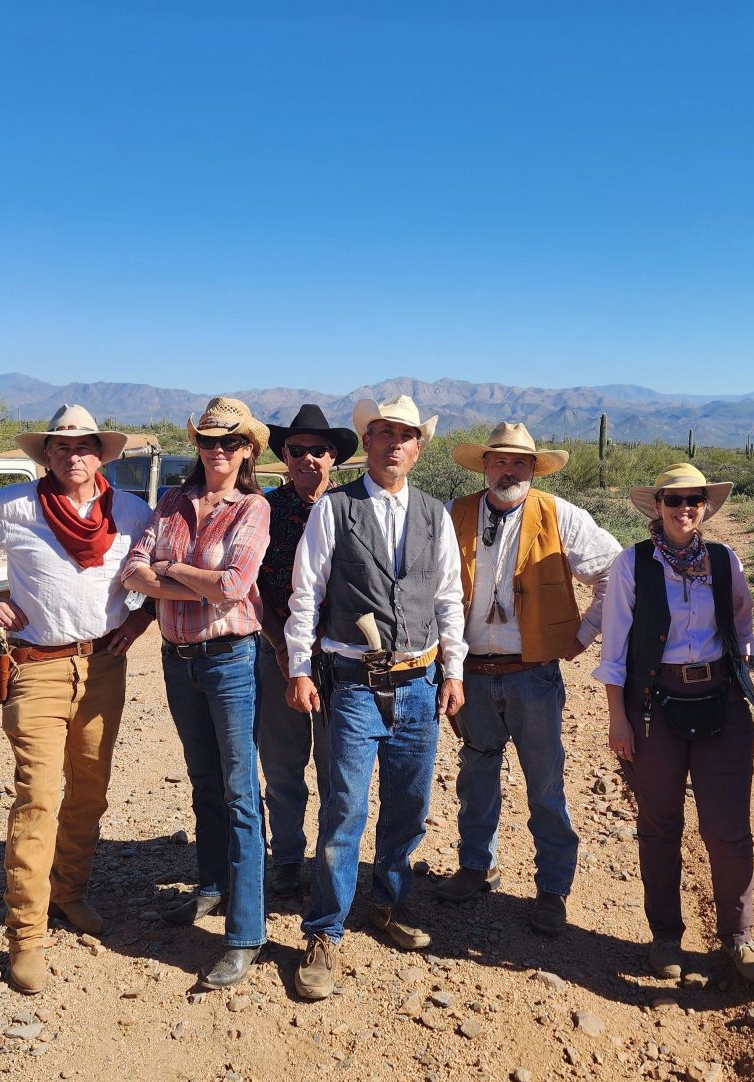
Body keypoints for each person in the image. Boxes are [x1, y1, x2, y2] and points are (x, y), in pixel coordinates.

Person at [0, 405, 155, 995]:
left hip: (104, 665)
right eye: (61, 447)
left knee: (90, 791)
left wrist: (144, 618)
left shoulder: (130, 511)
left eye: (84, 447)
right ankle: (25, 935)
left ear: (101, 454)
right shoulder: (14, 506)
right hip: (38, 666)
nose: (73, 456)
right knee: (37, 797)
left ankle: (70, 893)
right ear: (46, 455)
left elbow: (159, 565)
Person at [284, 394, 467, 1000]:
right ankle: (323, 931)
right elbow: (306, 595)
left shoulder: (435, 514)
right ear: (367, 443)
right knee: (344, 811)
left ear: (419, 447)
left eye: (405, 435)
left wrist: (454, 671)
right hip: (356, 682)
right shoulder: (335, 509)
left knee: (409, 808)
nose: (394, 444)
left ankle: (387, 904)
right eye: (383, 433)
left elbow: (447, 599)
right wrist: (300, 668)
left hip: (418, 682)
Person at [436, 422, 621, 934]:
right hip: (472, 673)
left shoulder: (560, 516)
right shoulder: (458, 515)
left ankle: (553, 889)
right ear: (486, 466)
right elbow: (436, 589)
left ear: (534, 469)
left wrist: (584, 633)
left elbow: (617, 572)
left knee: (545, 785)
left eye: (520, 462)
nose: (509, 470)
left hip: (533, 674)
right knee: (476, 778)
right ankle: (476, 866)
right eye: (500, 461)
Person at [593, 463, 754, 985]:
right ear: (658, 505)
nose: (685, 508)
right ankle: (666, 936)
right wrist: (618, 719)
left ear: (704, 506)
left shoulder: (722, 559)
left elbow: (742, 619)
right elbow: (616, 647)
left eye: (694, 499)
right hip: (654, 705)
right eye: (674, 500)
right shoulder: (633, 564)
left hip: (720, 699)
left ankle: (739, 937)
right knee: (659, 824)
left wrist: (736, 665)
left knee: (728, 828)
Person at [121, 397, 271, 990]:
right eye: (209, 442)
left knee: (238, 792)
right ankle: (212, 886)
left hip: (231, 660)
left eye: (229, 443)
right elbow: (133, 571)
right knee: (204, 781)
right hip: (178, 660)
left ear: (247, 452)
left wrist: (172, 570)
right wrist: (194, 580)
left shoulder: (252, 507)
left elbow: (234, 587)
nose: (217, 452)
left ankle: (245, 931)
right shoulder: (174, 502)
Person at [257, 404, 359, 897]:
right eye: (297, 450)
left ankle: (333, 862)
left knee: (338, 766)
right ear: (285, 457)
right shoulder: (266, 511)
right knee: (282, 763)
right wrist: (281, 647)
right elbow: (251, 586)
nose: (307, 458)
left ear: (333, 456)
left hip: (341, 660)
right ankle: (288, 858)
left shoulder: (353, 510)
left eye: (318, 450)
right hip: (277, 654)